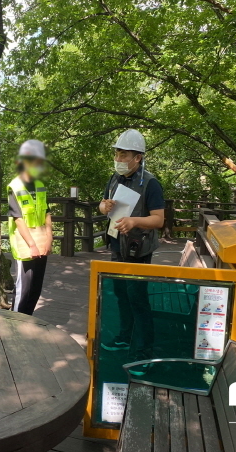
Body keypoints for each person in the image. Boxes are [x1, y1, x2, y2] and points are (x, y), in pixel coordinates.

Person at [99, 129, 165, 372]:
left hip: (139, 250)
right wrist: (104, 206)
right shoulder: (115, 179)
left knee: (138, 300)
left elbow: (158, 220)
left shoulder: (150, 183)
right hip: (117, 246)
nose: (118, 158)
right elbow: (102, 204)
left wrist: (135, 222)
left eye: (123, 154)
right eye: (117, 153)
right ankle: (124, 338)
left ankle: (144, 353)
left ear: (138, 157)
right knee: (121, 295)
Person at [8, 140, 53, 315]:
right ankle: (15, 321)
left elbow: (47, 213)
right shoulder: (15, 186)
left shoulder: (40, 185)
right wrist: (32, 245)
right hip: (25, 245)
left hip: (42, 242)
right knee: (23, 289)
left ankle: (28, 319)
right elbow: (18, 218)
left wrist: (49, 238)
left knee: (36, 287)